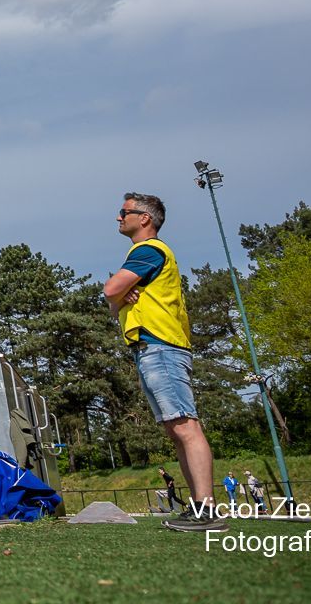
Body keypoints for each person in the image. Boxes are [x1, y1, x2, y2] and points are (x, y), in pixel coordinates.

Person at [103, 191, 226, 533]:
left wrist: (116, 293)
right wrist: (117, 297)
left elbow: (110, 290)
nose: (119, 217)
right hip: (151, 347)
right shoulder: (144, 254)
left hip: (161, 346)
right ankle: (198, 507)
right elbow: (114, 303)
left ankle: (207, 509)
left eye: (124, 211)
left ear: (144, 218)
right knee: (176, 429)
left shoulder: (149, 250)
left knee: (185, 426)